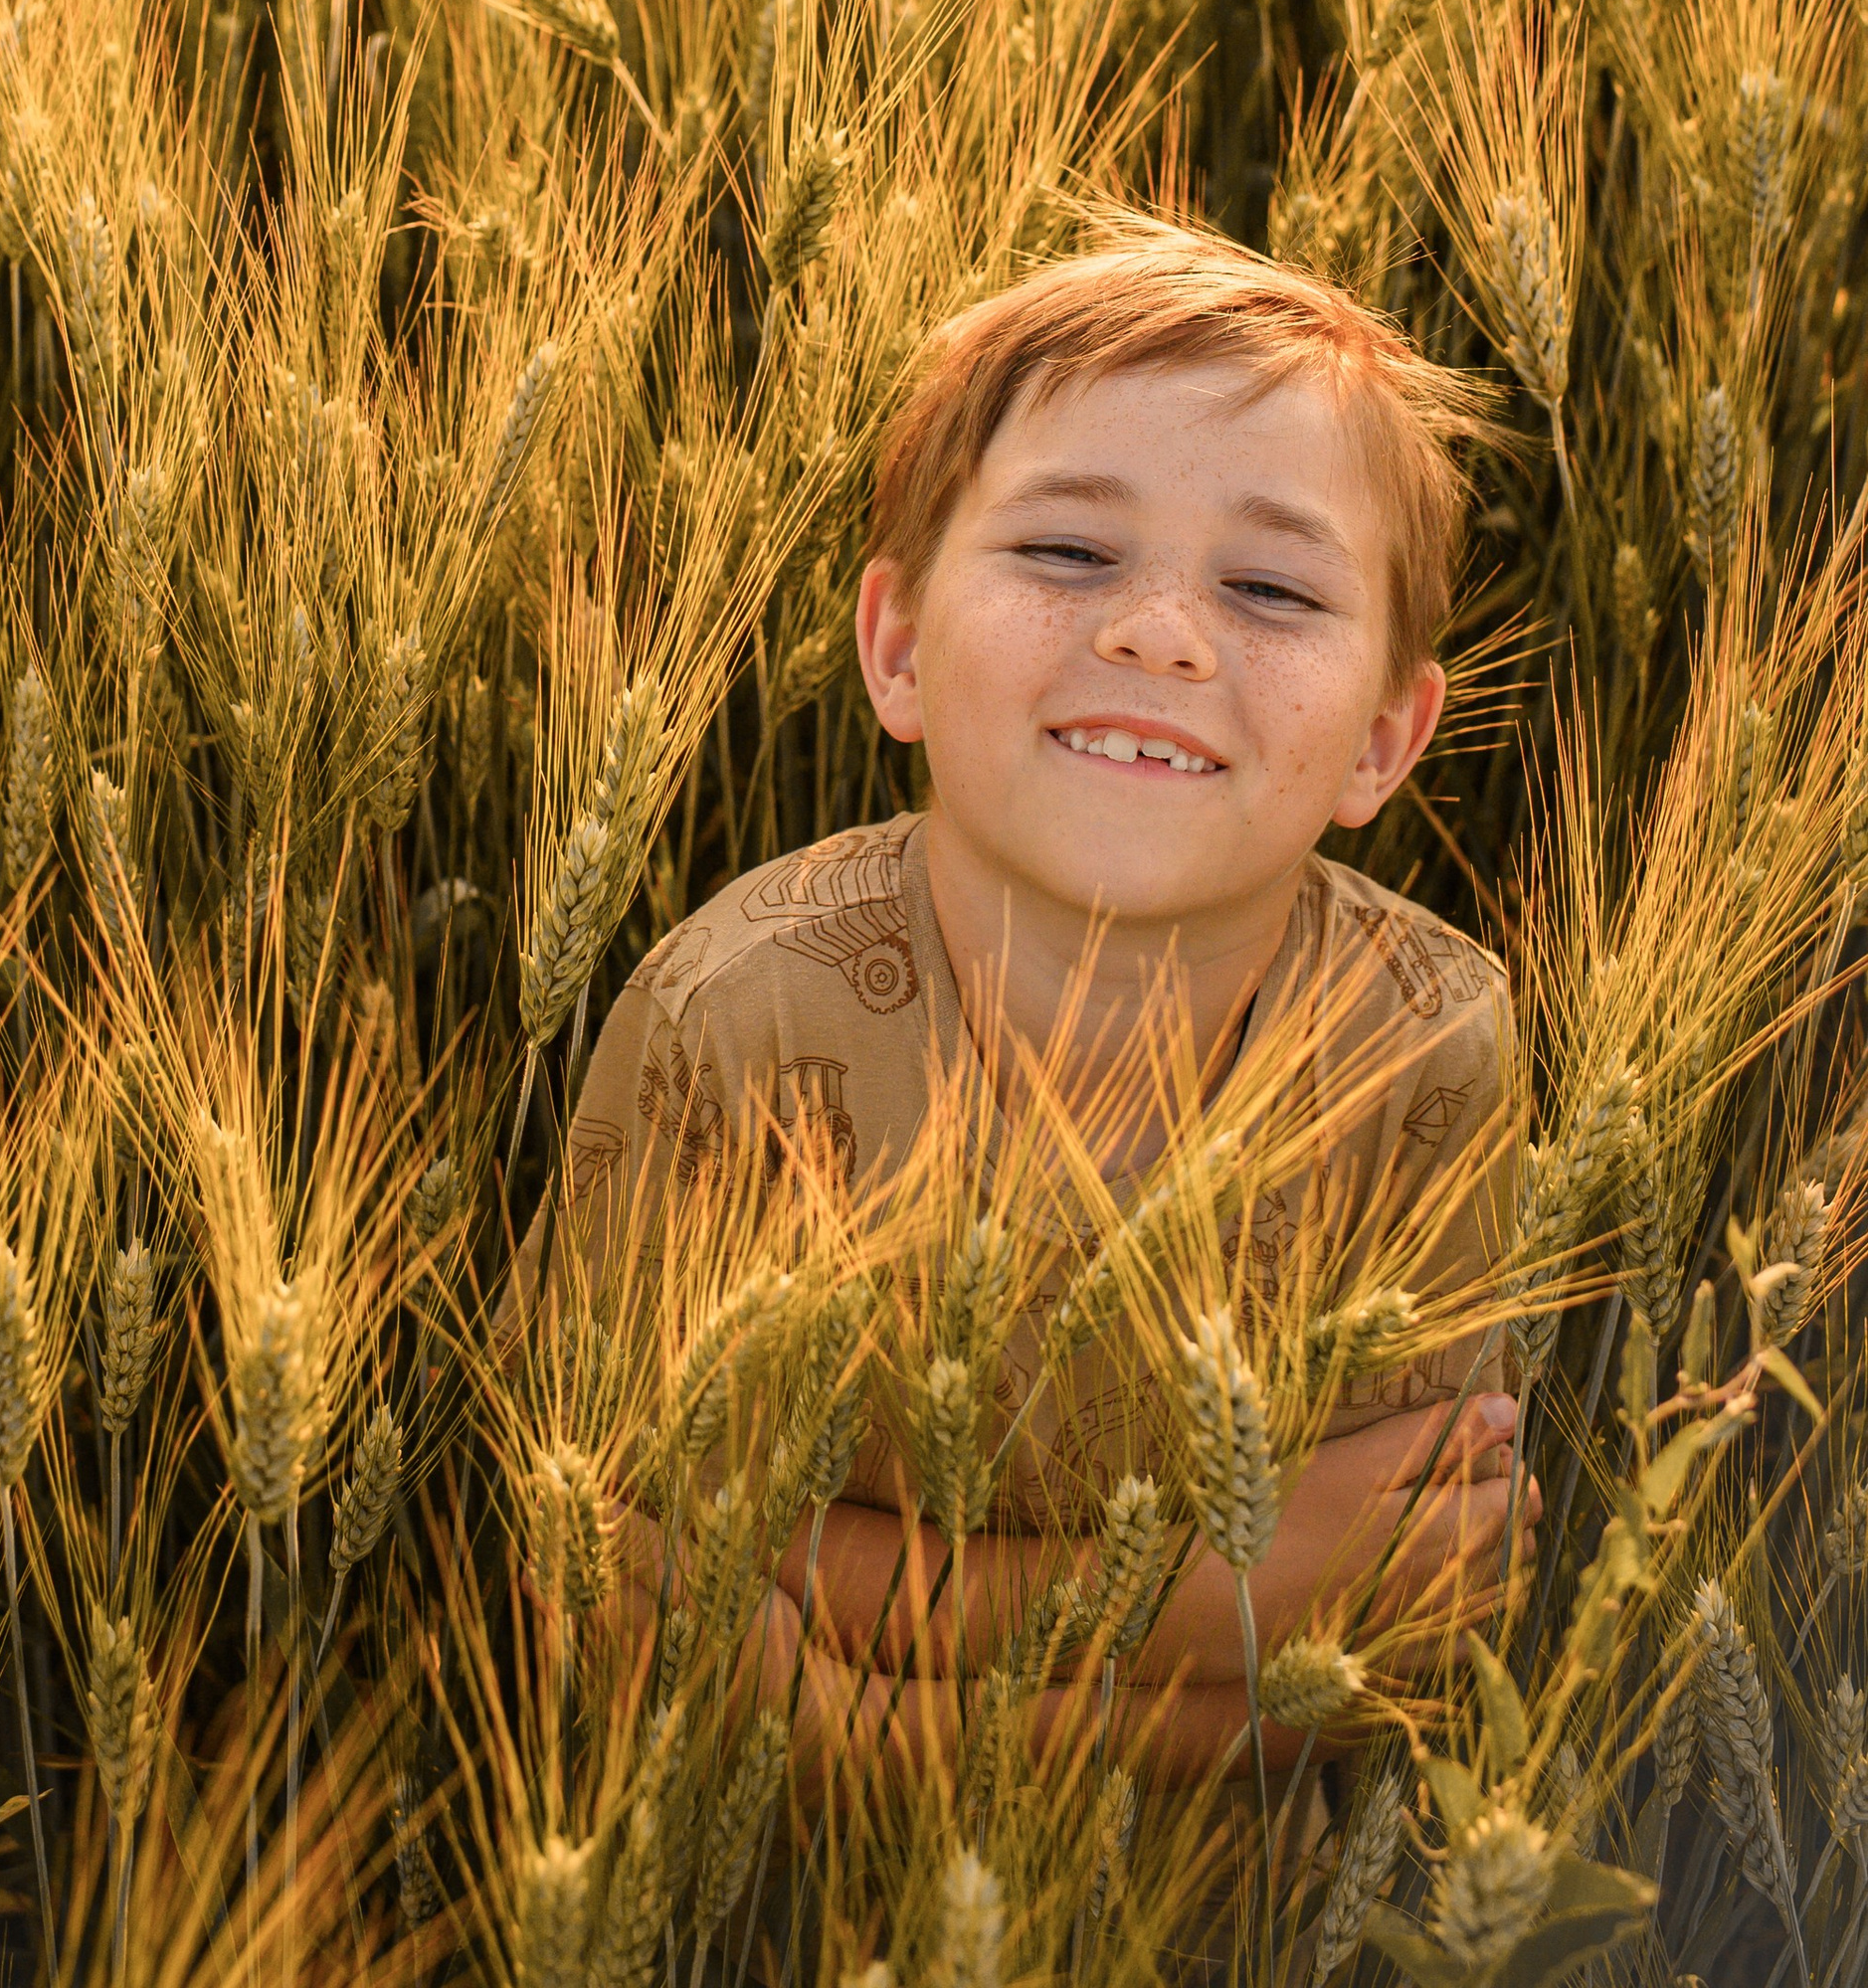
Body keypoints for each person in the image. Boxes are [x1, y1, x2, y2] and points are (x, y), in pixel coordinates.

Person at [490, 216, 1539, 1881]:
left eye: (1269, 587)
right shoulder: (745, 1018)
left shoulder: (1424, 1045)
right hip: (764, 1895)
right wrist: (1218, 1602)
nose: (1161, 636)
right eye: (1066, 555)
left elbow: (1406, 1632)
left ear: (1389, 740)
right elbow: (606, 1580)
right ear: (896, 647)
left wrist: (861, 1714)